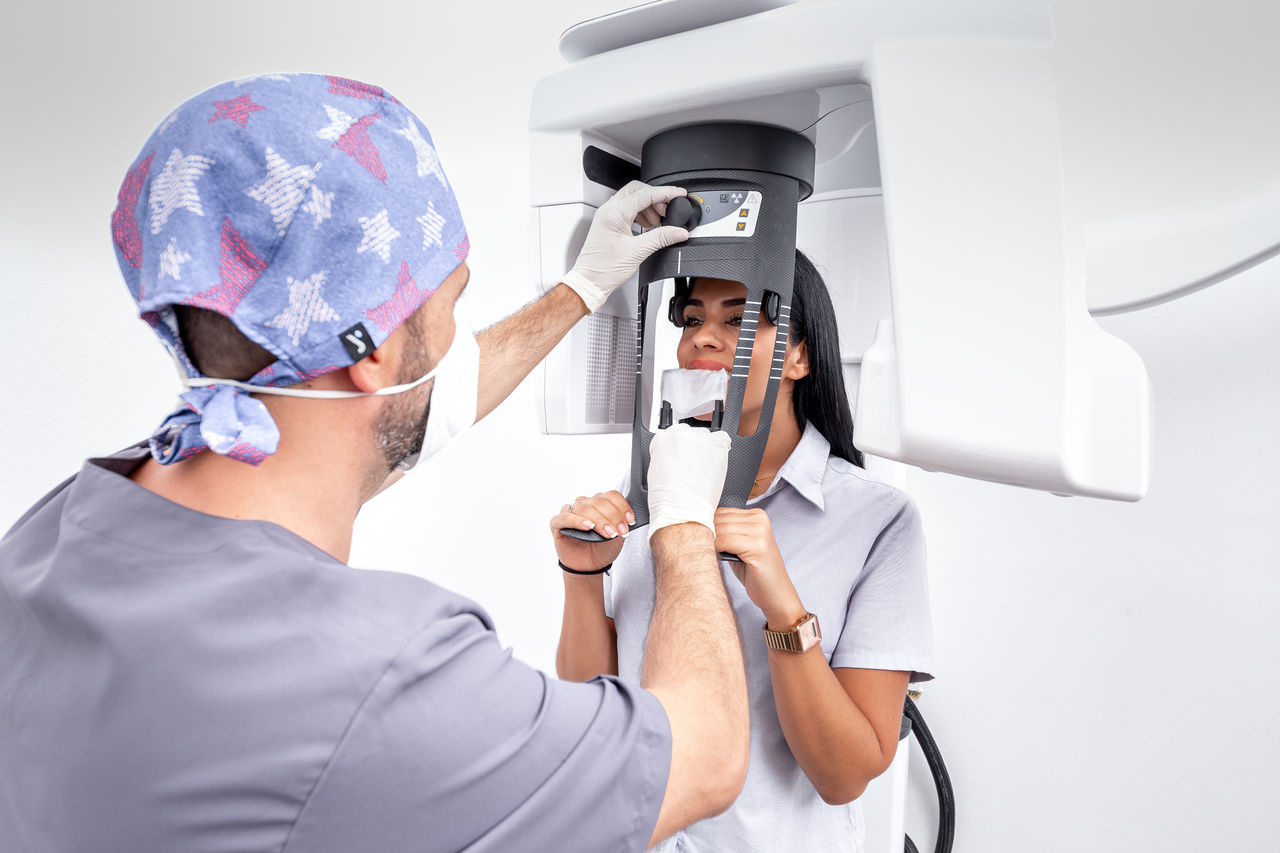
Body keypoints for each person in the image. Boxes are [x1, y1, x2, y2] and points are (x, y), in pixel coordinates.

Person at [0, 73, 751, 853]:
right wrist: (685, 518)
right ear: (375, 350)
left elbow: (399, 409)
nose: (455, 339)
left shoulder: (66, 524)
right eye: (451, 307)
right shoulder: (381, 678)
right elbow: (704, 757)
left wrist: (581, 289)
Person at [553, 251, 934, 852]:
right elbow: (594, 717)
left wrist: (783, 609)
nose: (702, 338)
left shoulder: (876, 520)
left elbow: (844, 776)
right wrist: (581, 575)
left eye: (739, 320)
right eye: (692, 318)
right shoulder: (656, 487)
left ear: (800, 355)